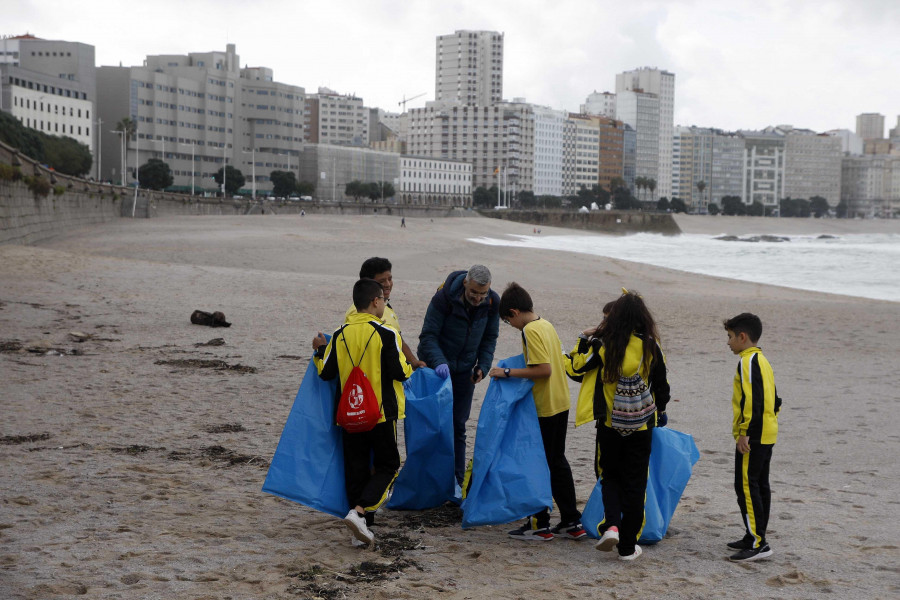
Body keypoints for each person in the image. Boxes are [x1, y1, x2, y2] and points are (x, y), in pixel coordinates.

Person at [565, 290, 670, 561]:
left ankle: (611, 525)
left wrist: (583, 338)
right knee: (635, 484)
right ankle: (626, 547)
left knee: (610, 475)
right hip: (642, 426)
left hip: (610, 424)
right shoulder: (651, 346)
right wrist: (661, 411)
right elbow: (662, 387)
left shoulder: (604, 344)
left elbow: (576, 369)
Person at [312, 278, 413, 547]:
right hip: (379, 413)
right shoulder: (385, 332)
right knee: (389, 466)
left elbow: (326, 372)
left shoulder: (340, 333)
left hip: (349, 414)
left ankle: (359, 533)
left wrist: (320, 349)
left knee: (356, 469)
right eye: (383, 300)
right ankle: (360, 513)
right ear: (375, 301)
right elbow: (402, 372)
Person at [487, 282, 585, 541]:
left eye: (508, 321)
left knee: (537, 464)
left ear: (514, 312)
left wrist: (506, 372)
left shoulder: (530, 330)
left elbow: (543, 369)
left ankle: (539, 524)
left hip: (544, 407)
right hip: (560, 401)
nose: (511, 325)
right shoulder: (546, 324)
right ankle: (571, 521)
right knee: (557, 462)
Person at [418, 265, 500, 484]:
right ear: (465, 283)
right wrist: (439, 363)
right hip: (435, 371)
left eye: (483, 294)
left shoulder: (492, 303)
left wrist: (482, 365)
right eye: (474, 292)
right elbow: (428, 336)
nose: (478, 298)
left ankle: (455, 479)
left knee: (457, 426)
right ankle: (427, 477)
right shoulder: (443, 298)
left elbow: (489, 338)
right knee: (432, 425)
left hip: (465, 372)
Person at [723, 313, 781, 562]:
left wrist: (744, 432)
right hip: (768, 431)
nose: (728, 342)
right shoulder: (764, 360)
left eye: (730, 337)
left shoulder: (747, 362)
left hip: (753, 434)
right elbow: (775, 399)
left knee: (746, 486)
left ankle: (759, 543)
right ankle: (753, 534)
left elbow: (751, 400)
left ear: (742, 336)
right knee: (759, 485)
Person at [346, 257, 425, 370]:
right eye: (382, 281)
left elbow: (398, 340)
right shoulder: (358, 311)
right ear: (369, 284)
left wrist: (413, 361)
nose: (388, 284)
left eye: (390, 279)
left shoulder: (386, 307)